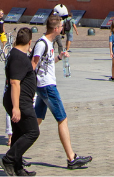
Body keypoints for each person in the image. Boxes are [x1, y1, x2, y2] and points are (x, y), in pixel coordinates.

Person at [31, 14, 90, 169]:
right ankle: (72, 158)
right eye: (61, 26)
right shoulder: (42, 43)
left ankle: (16, 150)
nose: (63, 28)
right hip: (47, 87)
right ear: (56, 29)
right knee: (62, 118)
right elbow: (33, 64)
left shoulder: (49, 43)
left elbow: (48, 62)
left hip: (44, 85)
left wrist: (59, 57)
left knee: (36, 120)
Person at [2, 27, 39, 177]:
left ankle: (18, 169)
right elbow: (15, 82)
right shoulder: (18, 57)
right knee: (32, 132)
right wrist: (16, 107)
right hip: (20, 102)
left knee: (19, 133)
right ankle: (8, 159)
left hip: (21, 100)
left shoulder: (16, 54)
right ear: (30, 42)